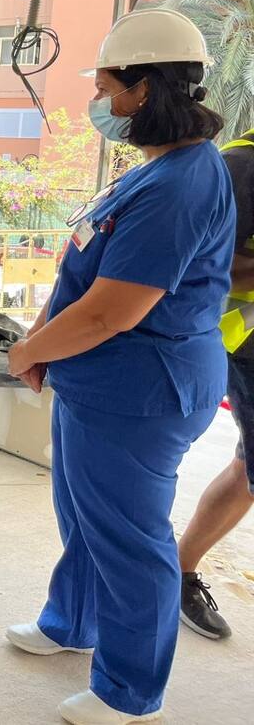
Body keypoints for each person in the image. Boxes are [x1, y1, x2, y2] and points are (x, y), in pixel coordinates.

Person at [5, 8, 229, 725]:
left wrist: (29, 351)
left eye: (105, 88)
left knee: (131, 540)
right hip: (96, 380)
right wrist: (42, 336)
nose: (97, 102)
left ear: (144, 89)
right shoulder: (154, 169)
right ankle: (73, 622)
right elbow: (84, 265)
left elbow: (113, 311)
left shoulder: (181, 184)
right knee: (85, 518)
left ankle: (131, 693)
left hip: (142, 389)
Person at [177, 125, 254, 641]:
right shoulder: (241, 165)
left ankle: (178, 572)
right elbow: (206, 260)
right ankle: (177, 574)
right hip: (247, 342)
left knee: (248, 467)